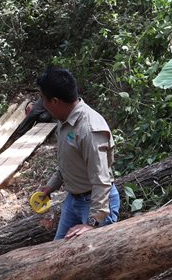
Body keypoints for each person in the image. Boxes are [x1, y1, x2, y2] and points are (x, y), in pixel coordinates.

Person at [34, 67, 120, 240]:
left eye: (43, 99)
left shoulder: (89, 130)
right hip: (73, 200)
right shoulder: (65, 120)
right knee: (57, 252)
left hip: (95, 204)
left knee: (92, 259)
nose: (41, 103)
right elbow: (69, 161)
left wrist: (93, 222)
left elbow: (101, 181)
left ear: (55, 101)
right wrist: (51, 186)